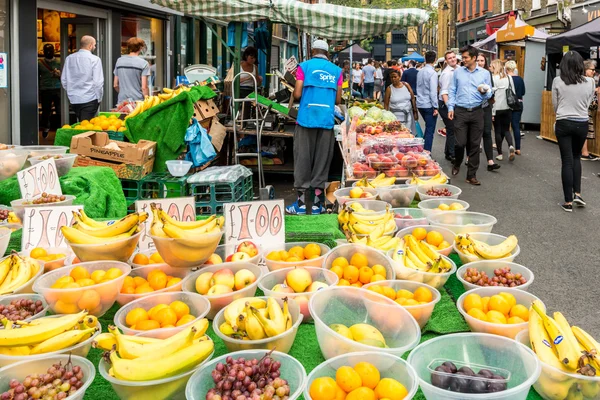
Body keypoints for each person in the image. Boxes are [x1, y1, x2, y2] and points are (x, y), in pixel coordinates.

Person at [286, 39, 342, 215]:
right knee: (321, 161)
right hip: (326, 120)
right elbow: (338, 100)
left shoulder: (304, 67)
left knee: (303, 159)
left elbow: (297, 93)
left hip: (306, 119)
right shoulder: (337, 71)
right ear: (327, 53)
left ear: (312, 51)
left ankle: (302, 205)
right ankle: (317, 204)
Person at [552, 51, 596, 212]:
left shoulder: (557, 81)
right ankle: (577, 193)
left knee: (567, 160)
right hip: (581, 122)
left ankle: (568, 202)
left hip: (564, 121)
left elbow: (555, 105)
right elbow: (589, 102)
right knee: (577, 157)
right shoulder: (590, 82)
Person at [448, 46, 493, 186]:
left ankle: (471, 175)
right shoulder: (458, 72)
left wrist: (484, 91)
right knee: (460, 143)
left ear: (474, 58)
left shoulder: (485, 73)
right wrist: (451, 107)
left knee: (474, 144)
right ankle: (457, 163)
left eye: (466, 57)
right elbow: (452, 90)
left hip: (477, 111)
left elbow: (490, 92)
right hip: (460, 111)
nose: (463, 60)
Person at [61, 35, 104, 122]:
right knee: (86, 128)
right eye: (94, 45)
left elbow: (64, 80)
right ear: (90, 45)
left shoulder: (69, 58)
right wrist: (99, 98)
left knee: (81, 125)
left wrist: (71, 91)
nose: (95, 47)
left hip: (74, 99)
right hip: (90, 98)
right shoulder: (95, 59)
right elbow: (98, 82)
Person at [477, 54, 501, 171]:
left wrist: (490, 93)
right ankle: (469, 158)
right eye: (478, 60)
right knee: (473, 134)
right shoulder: (470, 74)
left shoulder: (487, 74)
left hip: (486, 107)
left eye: (482, 60)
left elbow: (491, 90)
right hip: (474, 107)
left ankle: (490, 161)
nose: (480, 63)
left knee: (487, 133)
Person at [490, 59, 515, 162]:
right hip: (507, 107)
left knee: (497, 131)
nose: (490, 67)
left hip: (497, 108)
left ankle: (500, 154)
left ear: (495, 67)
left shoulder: (493, 78)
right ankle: (510, 145)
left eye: (491, 66)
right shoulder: (509, 77)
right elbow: (513, 91)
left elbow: (491, 94)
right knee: (506, 129)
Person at [113, 37, 150, 104]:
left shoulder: (119, 61)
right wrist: (148, 101)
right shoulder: (144, 63)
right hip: (138, 102)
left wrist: (123, 93)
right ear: (140, 48)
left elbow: (115, 85)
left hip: (122, 101)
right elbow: (144, 87)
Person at [416, 51, 439, 152]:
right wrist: (436, 106)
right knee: (430, 129)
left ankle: (424, 149)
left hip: (420, 103)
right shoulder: (433, 73)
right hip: (429, 104)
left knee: (428, 128)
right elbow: (433, 92)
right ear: (435, 60)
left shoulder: (420, 71)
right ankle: (426, 151)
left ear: (425, 59)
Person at [438, 51, 458, 162]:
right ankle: (451, 153)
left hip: (454, 103)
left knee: (452, 128)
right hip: (446, 104)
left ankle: (448, 152)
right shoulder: (447, 73)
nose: (452, 59)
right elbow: (444, 92)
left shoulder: (459, 69)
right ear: (446, 60)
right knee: (452, 128)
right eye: (449, 58)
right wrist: (449, 107)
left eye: (454, 57)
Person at [384, 69, 418, 134]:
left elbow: (412, 98)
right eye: (391, 77)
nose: (393, 79)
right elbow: (386, 104)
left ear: (399, 77)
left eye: (395, 77)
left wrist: (415, 111)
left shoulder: (406, 85)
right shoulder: (389, 89)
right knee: (398, 134)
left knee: (408, 134)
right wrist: (386, 116)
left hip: (408, 116)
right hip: (395, 118)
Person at [38, 44, 61, 138]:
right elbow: (37, 77)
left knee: (59, 110)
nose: (48, 52)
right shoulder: (39, 63)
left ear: (54, 51)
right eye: (46, 50)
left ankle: (59, 128)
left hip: (57, 88)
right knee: (46, 111)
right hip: (45, 89)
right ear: (43, 51)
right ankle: (46, 127)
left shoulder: (59, 62)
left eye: (50, 50)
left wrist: (59, 74)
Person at [582, 59, 599, 160]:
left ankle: (584, 152)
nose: (594, 72)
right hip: (585, 109)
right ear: (585, 69)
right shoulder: (589, 81)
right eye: (592, 70)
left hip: (582, 109)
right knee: (586, 131)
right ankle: (584, 152)